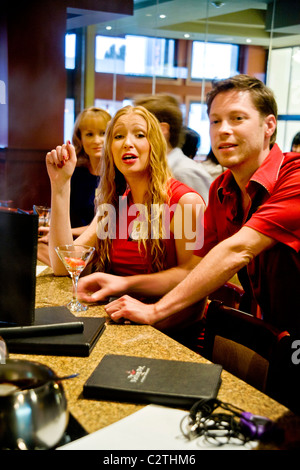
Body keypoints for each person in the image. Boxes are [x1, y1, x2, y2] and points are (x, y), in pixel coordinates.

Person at [99, 74, 300, 335]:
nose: (223, 129)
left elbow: (238, 249)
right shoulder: (221, 188)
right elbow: (196, 266)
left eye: (238, 118)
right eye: (215, 121)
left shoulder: (294, 175)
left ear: (269, 125)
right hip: (269, 332)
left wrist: (153, 311)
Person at [47, 105, 206, 330]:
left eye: (139, 135)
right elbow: (64, 265)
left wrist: (124, 283)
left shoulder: (185, 202)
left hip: (172, 333)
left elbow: (193, 277)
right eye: (118, 136)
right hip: (122, 323)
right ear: (111, 149)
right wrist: (60, 185)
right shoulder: (115, 204)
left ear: (156, 144)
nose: (127, 143)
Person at [38, 106, 111, 264]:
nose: (97, 140)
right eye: (89, 134)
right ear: (80, 139)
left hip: (101, 247)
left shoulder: (116, 177)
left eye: (103, 133)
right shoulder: (75, 173)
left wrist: (63, 232)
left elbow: (107, 225)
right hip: (70, 243)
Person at [134, 94, 213, 204]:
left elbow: (205, 218)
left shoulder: (185, 171)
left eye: (138, 132)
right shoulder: (157, 169)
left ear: (162, 130)